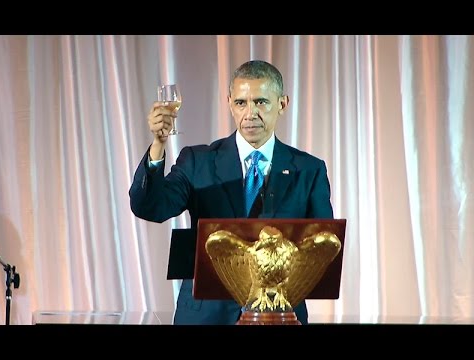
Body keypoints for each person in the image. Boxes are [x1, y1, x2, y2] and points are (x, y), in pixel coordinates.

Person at [129, 60, 334, 325]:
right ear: (229, 103)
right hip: (206, 317)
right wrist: (158, 145)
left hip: (279, 316)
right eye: (241, 103)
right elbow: (150, 208)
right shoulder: (197, 161)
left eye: (261, 102)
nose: (250, 114)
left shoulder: (309, 170)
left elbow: (323, 250)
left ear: (282, 104)